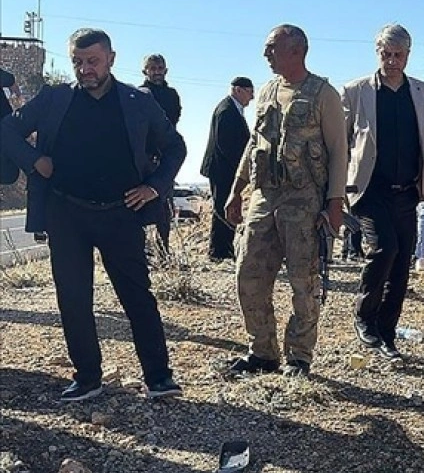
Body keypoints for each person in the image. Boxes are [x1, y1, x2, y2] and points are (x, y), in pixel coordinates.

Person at [0, 28, 186, 401]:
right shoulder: (54, 100)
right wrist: (35, 161)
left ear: (111, 60)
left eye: (93, 61)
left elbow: (174, 147)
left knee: (137, 297)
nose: (86, 69)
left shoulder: (139, 101)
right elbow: (7, 129)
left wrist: (154, 187)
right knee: (73, 298)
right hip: (66, 214)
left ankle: (159, 377)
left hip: (121, 213)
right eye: (78, 62)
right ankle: (87, 377)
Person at [223, 24, 347, 378]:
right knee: (249, 273)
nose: (265, 55)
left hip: (304, 200)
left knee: (303, 281)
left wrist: (335, 203)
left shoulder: (324, 94)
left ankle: (299, 357)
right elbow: (253, 145)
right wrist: (237, 189)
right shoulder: (265, 92)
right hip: (265, 197)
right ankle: (262, 351)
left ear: (296, 50)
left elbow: (339, 151)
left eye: (271, 48)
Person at [341, 24, 424, 360]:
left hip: (409, 190)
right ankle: (364, 317)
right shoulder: (355, 91)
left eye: (399, 55)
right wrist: (334, 189)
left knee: (401, 265)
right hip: (369, 189)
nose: (392, 61)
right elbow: (340, 142)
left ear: (408, 55)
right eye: (386, 54)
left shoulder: (422, 94)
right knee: (384, 249)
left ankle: (388, 333)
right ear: (377, 52)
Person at [199, 77, 253, 261]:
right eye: (250, 91)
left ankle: (226, 248)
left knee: (227, 207)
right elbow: (226, 144)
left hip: (227, 168)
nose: (252, 97)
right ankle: (218, 251)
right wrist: (242, 167)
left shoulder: (233, 110)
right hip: (222, 169)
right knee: (222, 208)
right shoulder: (226, 111)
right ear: (238, 90)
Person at [138, 54, 182, 254]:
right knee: (139, 203)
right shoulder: (138, 95)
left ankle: (163, 250)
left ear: (166, 70)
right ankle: (140, 250)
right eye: (152, 68)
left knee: (164, 205)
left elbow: (171, 123)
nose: (156, 71)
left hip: (164, 156)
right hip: (143, 157)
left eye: (160, 68)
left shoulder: (171, 95)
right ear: (145, 71)